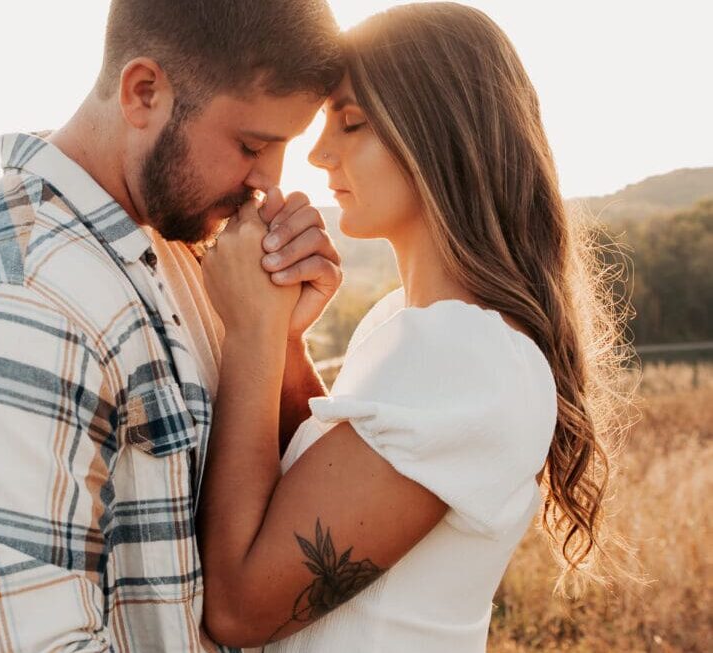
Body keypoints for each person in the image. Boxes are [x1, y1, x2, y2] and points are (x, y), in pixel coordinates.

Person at [0, 1, 346, 651]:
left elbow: (287, 521)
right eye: (251, 145)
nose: (268, 184)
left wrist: (278, 337)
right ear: (143, 92)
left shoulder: (184, 244)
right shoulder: (14, 304)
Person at [197, 3, 630, 651]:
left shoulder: (467, 354)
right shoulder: (407, 324)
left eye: (351, 122)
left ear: (439, 136)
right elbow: (312, 488)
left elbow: (239, 607)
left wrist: (252, 334)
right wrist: (285, 341)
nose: (316, 152)